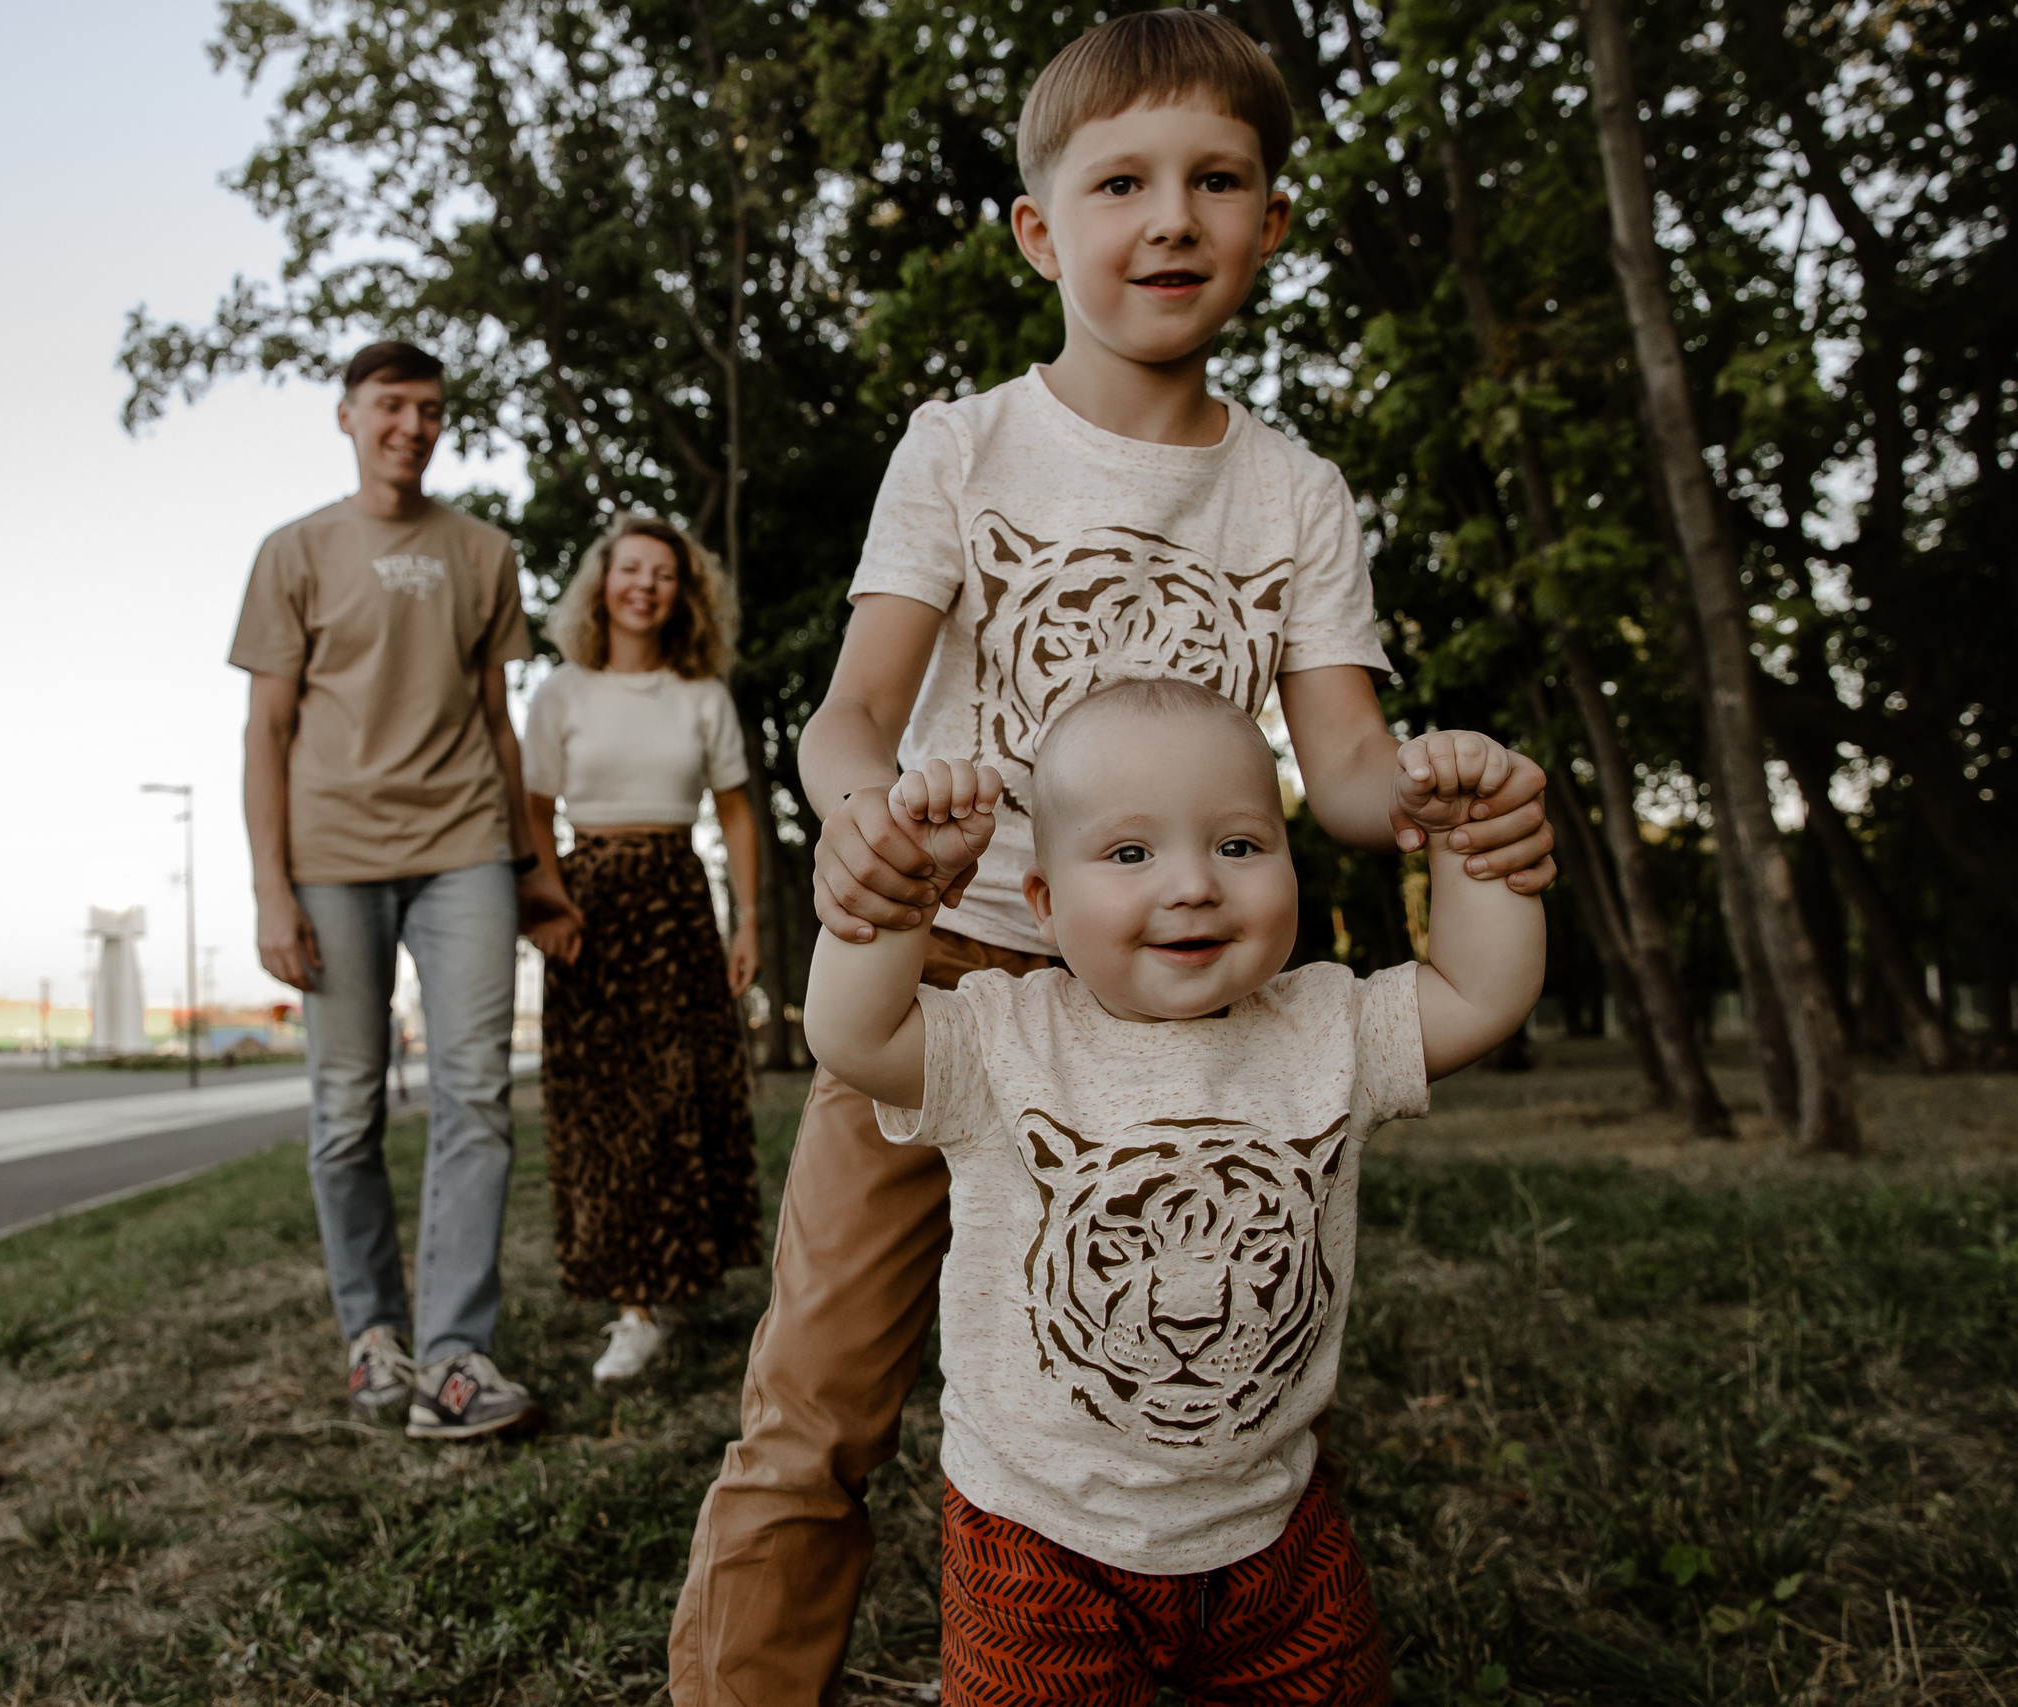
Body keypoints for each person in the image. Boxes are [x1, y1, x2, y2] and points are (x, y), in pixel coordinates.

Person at [667, 12, 1560, 1700]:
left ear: (1271, 222)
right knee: (815, 1404)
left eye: (1217, 181)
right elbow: (851, 716)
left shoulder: (1292, 492)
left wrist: (1453, 805)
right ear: (1038, 228)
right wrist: (876, 829)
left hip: (1174, 1012)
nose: (1171, 220)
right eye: (1122, 182)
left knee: (1222, 1383)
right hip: (944, 991)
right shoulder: (965, 448)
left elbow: (1347, 769)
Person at [804, 681, 1544, 1704]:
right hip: (1034, 1539)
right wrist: (897, 896)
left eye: (1240, 845)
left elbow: (1482, 992)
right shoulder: (1002, 1039)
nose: (1194, 884)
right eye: (1128, 853)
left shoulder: (1327, 1029)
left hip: (1274, 1524)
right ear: (1044, 906)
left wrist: (1478, 842)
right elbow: (851, 1036)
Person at [232, 338, 582, 1443]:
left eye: (429, 408)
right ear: (347, 416)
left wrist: (533, 867)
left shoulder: (482, 551)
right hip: (331, 859)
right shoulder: (293, 552)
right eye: (390, 405)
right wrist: (268, 892)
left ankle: (455, 1358)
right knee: (346, 1111)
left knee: (474, 1094)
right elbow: (267, 730)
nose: (411, 425)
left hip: (465, 848)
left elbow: (495, 720)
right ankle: (373, 1336)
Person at [521, 514, 763, 1384]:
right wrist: (545, 901)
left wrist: (750, 919)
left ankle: (674, 1268)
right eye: (631, 569)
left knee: (679, 1094)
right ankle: (632, 1301)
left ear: (683, 591)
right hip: (588, 904)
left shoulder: (702, 692)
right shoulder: (562, 691)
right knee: (606, 1106)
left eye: (663, 573)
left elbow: (735, 809)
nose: (645, 586)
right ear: (603, 582)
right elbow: (533, 806)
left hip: (676, 898)